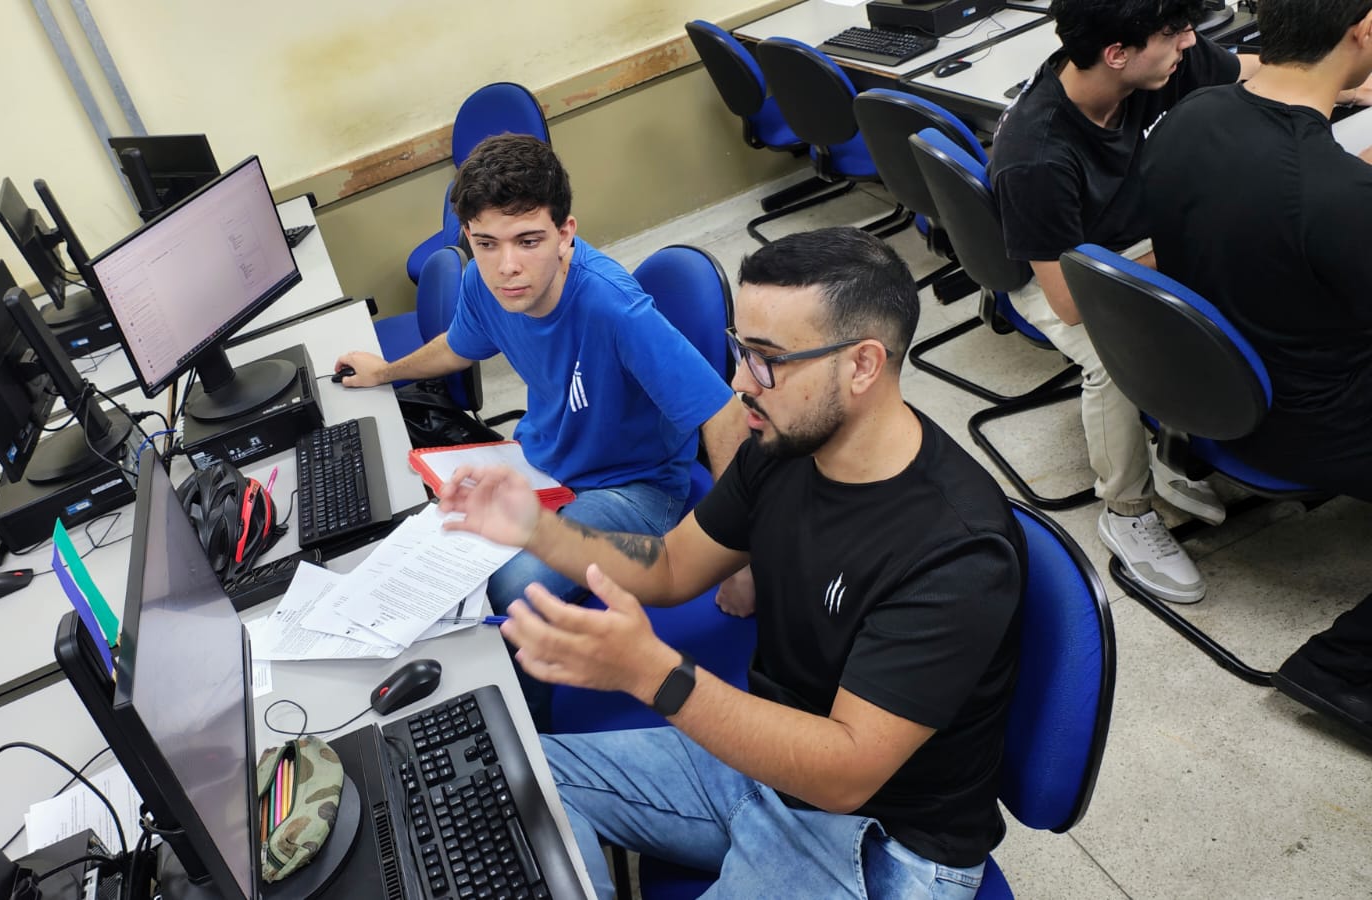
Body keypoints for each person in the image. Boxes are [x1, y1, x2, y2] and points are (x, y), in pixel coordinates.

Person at [438, 227, 1025, 898]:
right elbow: (669, 567)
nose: (741, 382)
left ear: (862, 366)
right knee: (506, 777)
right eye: (740, 351)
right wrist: (537, 528)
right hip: (766, 769)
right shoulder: (782, 445)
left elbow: (845, 772)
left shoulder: (957, 551)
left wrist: (652, 674)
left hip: (879, 840)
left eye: (767, 359)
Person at [335, 134, 743, 617]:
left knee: (508, 587)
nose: (507, 267)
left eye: (528, 241)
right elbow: (458, 346)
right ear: (468, 236)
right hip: (539, 463)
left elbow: (724, 414)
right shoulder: (481, 283)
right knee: (432, 550)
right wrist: (384, 372)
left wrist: (739, 560)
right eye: (487, 244)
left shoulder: (614, 309)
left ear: (565, 233)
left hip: (634, 488)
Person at [1140, 0, 1372, 740]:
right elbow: (1313, 209)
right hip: (1311, 424)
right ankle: (1344, 667)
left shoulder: (1190, 117)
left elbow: (1274, 215)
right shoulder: (1332, 194)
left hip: (1213, 393)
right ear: (1364, 30)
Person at [988, 0, 1258, 606]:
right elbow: (1070, 304)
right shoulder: (1036, 156)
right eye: (1175, 32)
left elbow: (1259, 71)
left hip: (1129, 237)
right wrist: (1189, 238)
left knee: (1229, 281)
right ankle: (1126, 511)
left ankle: (1172, 451)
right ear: (1116, 54)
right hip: (1055, 276)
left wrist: (1348, 83)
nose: (1190, 41)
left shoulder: (1159, 63)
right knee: (1117, 357)